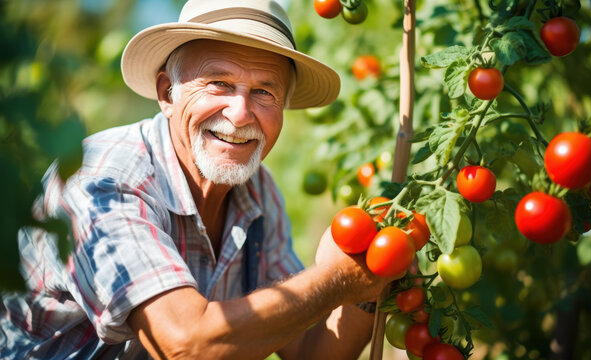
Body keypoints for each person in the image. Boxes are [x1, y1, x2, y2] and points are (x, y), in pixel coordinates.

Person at [1, 1, 399, 358]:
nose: (241, 113)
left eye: (264, 92)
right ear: (167, 93)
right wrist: (337, 280)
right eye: (219, 83)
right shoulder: (105, 179)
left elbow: (315, 352)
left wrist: (369, 280)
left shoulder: (258, 191)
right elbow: (183, 344)